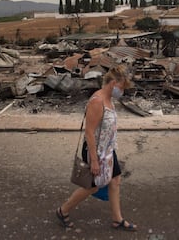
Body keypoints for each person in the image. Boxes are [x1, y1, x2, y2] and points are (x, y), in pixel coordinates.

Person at [56, 65, 137, 232]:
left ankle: (117, 219)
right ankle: (63, 210)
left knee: (115, 180)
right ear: (113, 83)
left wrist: (111, 148)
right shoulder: (97, 101)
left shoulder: (109, 99)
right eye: (121, 87)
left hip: (108, 149)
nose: (122, 91)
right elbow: (89, 133)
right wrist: (94, 160)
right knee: (91, 186)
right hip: (95, 151)